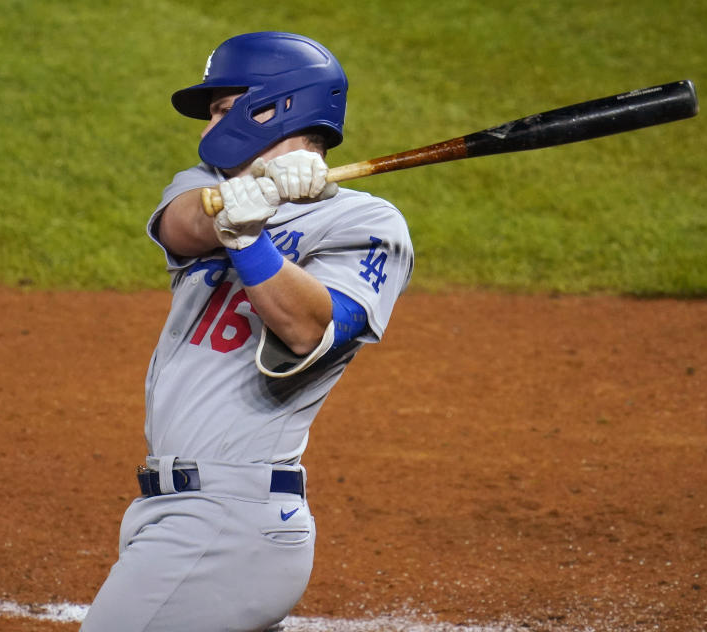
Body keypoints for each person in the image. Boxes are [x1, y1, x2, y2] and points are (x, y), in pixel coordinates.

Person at [81, 31, 413, 631]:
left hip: (230, 520)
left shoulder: (366, 222)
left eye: (220, 109)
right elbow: (182, 227)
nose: (208, 130)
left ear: (275, 106)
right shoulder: (201, 183)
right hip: (170, 509)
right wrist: (233, 205)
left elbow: (309, 329)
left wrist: (249, 238)